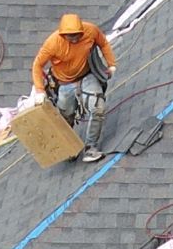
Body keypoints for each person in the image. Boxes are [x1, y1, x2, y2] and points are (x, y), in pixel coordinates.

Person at [33, 12, 115, 163]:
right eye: (71, 36)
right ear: (63, 35)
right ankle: (69, 148)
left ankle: (91, 148)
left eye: (78, 34)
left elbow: (103, 43)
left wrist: (111, 65)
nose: (75, 38)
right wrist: (40, 90)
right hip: (64, 84)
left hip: (87, 76)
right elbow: (37, 66)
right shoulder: (52, 44)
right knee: (65, 118)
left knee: (98, 108)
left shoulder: (90, 31)